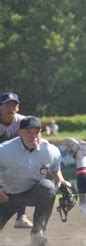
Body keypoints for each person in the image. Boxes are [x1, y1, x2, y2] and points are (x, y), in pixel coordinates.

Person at [0, 116, 71, 246]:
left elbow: (54, 167)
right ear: (20, 132)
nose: (33, 136)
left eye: (37, 132)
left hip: (31, 193)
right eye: (29, 132)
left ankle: (38, 233)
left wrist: (60, 180)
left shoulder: (50, 150)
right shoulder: (4, 150)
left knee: (48, 187)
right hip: (6, 197)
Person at [0, 91, 33, 228]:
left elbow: (34, 139)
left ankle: (21, 217)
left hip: (13, 158)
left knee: (23, 176)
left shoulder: (23, 121)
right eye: (7, 104)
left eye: (14, 105)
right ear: (0, 107)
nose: (11, 108)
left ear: (18, 107)